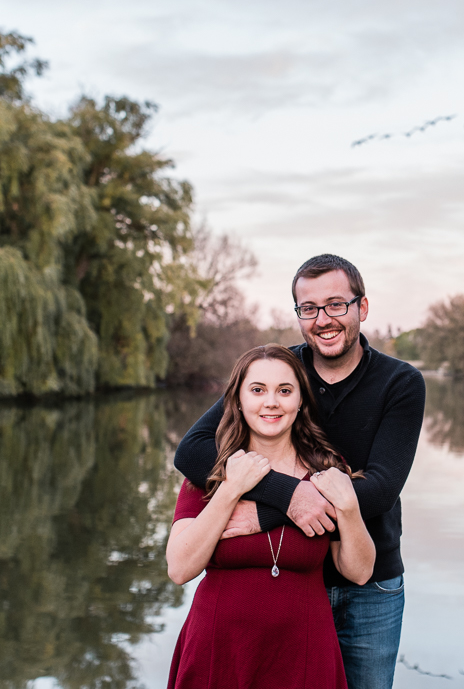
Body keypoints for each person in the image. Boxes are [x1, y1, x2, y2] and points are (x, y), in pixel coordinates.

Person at [174, 254, 425, 689]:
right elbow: (192, 450)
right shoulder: (279, 371)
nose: (323, 319)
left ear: (361, 309)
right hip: (286, 586)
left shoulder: (399, 382)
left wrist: (273, 509)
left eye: (335, 305)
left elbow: (380, 489)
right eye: (309, 308)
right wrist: (285, 493)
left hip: (368, 582)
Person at [166, 344, 376, 689]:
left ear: (301, 401)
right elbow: (179, 568)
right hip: (219, 651)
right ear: (236, 401)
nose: (271, 402)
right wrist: (231, 490)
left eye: (285, 390)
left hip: (304, 655)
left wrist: (349, 507)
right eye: (258, 390)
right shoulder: (209, 469)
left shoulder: (326, 469)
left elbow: (359, 570)